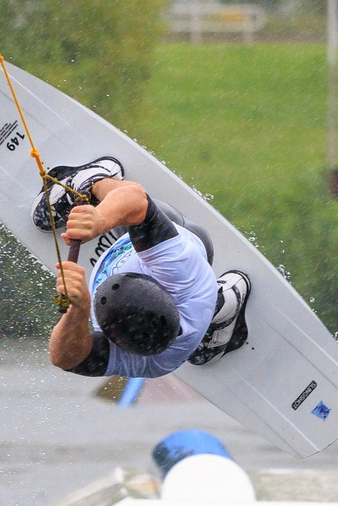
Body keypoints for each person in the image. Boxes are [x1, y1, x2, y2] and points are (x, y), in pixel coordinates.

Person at [37, 158, 251, 378]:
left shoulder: (141, 360)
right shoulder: (179, 273)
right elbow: (137, 199)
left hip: (186, 309)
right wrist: (99, 219)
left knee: (132, 220)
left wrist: (79, 310)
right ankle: (95, 179)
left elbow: (64, 358)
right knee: (142, 213)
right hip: (190, 246)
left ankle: (213, 320)